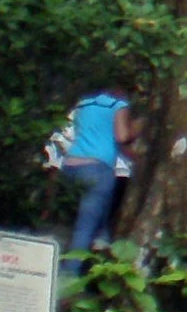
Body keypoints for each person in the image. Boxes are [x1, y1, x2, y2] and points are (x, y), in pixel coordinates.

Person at [57, 83, 138, 268]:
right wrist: (138, 128)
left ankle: (98, 251)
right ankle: (69, 280)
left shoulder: (83, 104)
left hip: (71, 165)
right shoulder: (117, 105)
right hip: (97, 168)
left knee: (92, 222)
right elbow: (122, 137)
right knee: (85, 227)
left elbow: (86, 134)